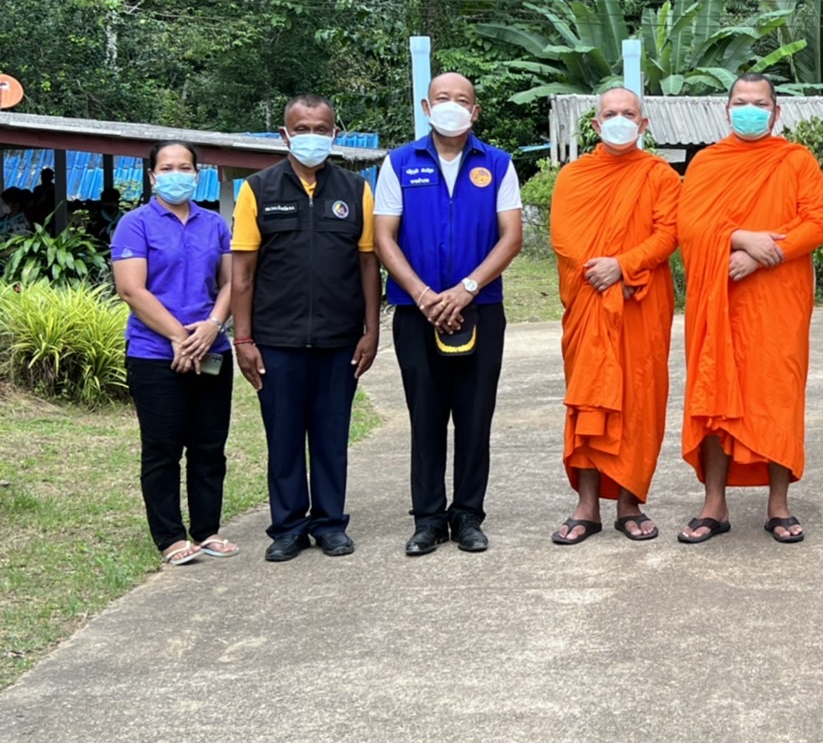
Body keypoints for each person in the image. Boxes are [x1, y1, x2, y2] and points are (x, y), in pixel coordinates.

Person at [675, 73, 823, 543]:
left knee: (778, 395)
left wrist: (766, 254)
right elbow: (690, 226)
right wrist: (740, 238)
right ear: (727, 111)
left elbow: (817, 222)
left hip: (778, 301)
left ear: (776, 112)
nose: (750, 110)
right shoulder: (707, 162)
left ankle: (778, 505)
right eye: (741, 102)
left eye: (760, 104)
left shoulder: (796, 160)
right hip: (720, 301)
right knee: (715, 393)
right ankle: (714, 504)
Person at [374, 72, 522, 557]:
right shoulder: (399, 163)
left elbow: (511, 236)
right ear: (426, 106)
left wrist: (466, 290)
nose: (452, 106)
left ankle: (468, 515)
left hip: (481, 309)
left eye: (462, 100)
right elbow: (383, 237)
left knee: (475, 416)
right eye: (443, 98)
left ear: (475, 111)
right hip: (415, 312)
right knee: (426, 415)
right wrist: (423, 295)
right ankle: (428, 519)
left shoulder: (497, 164)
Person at [231, 95, 380, 562]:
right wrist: (243, 338)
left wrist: (371, 330)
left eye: (321, 129)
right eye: (302, 129)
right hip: (276, 340)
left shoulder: (356, 189)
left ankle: (330, 524)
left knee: (332, 436)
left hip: (340, 339)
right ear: (284, 135)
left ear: (334, 134)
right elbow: (242, 274)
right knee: (285, 437)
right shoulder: (257, 189)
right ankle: (289, 527)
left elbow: (368, 265)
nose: (311, 137)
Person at [548, 87, 680, 545]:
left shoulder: (660, 175)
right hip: (590, 299)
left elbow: (669, 233)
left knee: (639, 400)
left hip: (641, 303)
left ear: (643, 125)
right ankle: (586, 506)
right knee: (589, 398)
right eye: (610, 113)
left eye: (628, 113)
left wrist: (624, 266)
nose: (619, 120)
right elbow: (565, 239)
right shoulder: (574, 176)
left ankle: (629, 503)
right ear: (596, 124)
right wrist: (603, 274)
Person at [112, 142, 236, 566]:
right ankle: (170, 536)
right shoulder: (135, 225)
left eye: (185, 167)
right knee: (162, 447)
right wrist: (180, 338)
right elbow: (131, 290)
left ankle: (207, 530)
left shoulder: (214, 224)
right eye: (167, 168)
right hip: (154, 354)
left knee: (209, 445)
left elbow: (230, 283)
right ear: (152, 176)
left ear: (197, 174)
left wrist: (213, 326)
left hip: (212, 350)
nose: (176, 175)